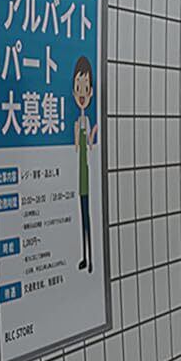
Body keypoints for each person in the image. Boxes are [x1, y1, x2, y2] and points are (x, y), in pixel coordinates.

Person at [72, 55, 100, 272]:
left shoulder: (87, 121)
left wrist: (93, 132)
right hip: (79, 174)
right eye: (78, 87)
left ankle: (90, 258)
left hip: (86, 174)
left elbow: (89, 144)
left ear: (90, 92)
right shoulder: (78, 122)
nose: (82, 93)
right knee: (82, 216)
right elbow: (76, 147)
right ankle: (84, 256)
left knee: (87, 216)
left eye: (86, 88)